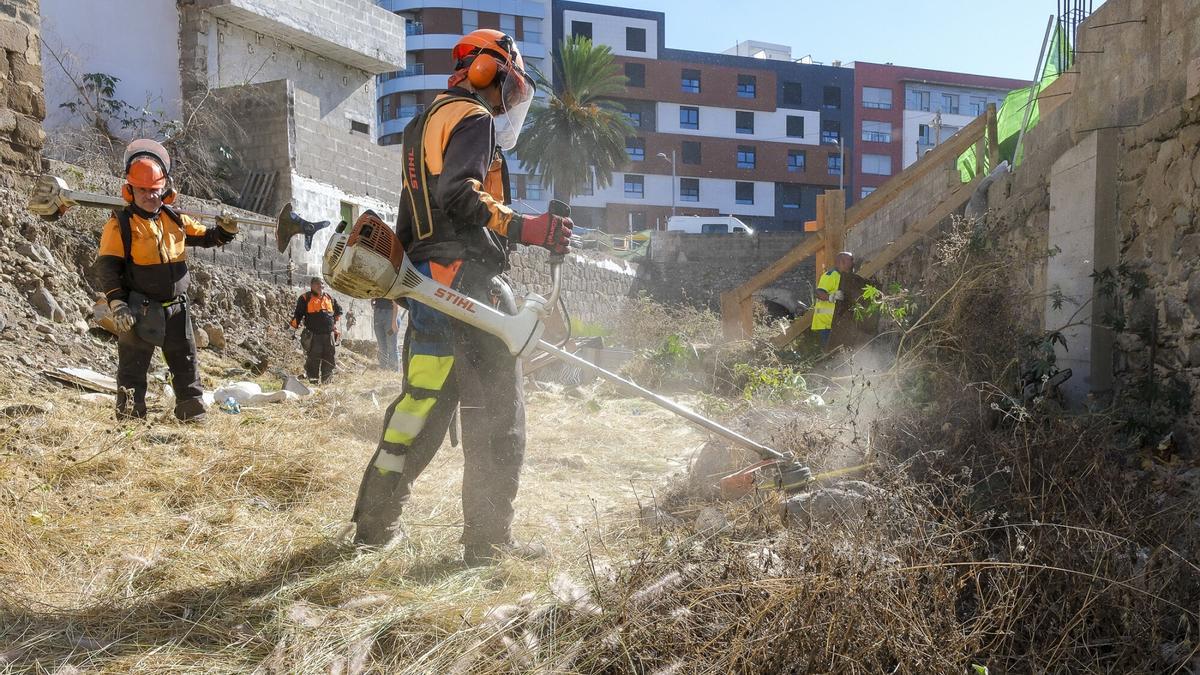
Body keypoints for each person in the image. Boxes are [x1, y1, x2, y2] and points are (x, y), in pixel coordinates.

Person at [351, 29, 573, 565]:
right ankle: (488, 544)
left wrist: (414, 288)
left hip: (428, 285)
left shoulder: (421, 124)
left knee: (418, 410)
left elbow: (413, 215)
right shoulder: (472, 117)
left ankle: (372, 526)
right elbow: (460, 193)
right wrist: (528, 227)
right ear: (486, 73)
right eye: (509, 89)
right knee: (498, 414)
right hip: (470, 283)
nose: (506, 103)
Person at [93, 139, 238, 422]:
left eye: (155, 190)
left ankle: (192, 414)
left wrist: (225, 231)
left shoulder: (174, 218)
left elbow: (206, 237)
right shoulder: (120, 224)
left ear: (165, 190)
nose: (149, 196)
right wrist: (117, 302)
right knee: (133, 369)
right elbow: (107, 266)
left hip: (177, 308)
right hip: (138, 307)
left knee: (185, 363)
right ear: (130, 190)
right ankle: (130, 422)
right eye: (143, 190)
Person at [290, 277, 343, 383]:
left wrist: (334, 325)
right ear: (312, 286)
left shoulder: (329, 298)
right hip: (314, 336)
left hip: (329, 336)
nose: (321, 286)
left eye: (322, 284)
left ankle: (326, 382)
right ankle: (313, 382)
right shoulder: (305, 298)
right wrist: (292, 329)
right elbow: (298, 315)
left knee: (329, 359)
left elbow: (338, 311)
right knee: (313, 360)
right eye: (318, 284)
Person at [811, 251, 855, 349]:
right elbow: (819, 293)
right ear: (842, 261)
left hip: (835, 323)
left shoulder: (843, 277)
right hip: (825, 324)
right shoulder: (830, 275)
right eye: (851, 260)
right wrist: (831, 297)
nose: (853, 263)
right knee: (830, 352)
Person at [372, 298, 402, 371]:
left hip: (391, 316)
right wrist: (373, 304)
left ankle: (393, 371)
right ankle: (383, 368)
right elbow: (373, 296)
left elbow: (396, 304)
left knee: (391, 345)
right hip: (378, 314)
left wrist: (394, 322)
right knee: (381, 344)